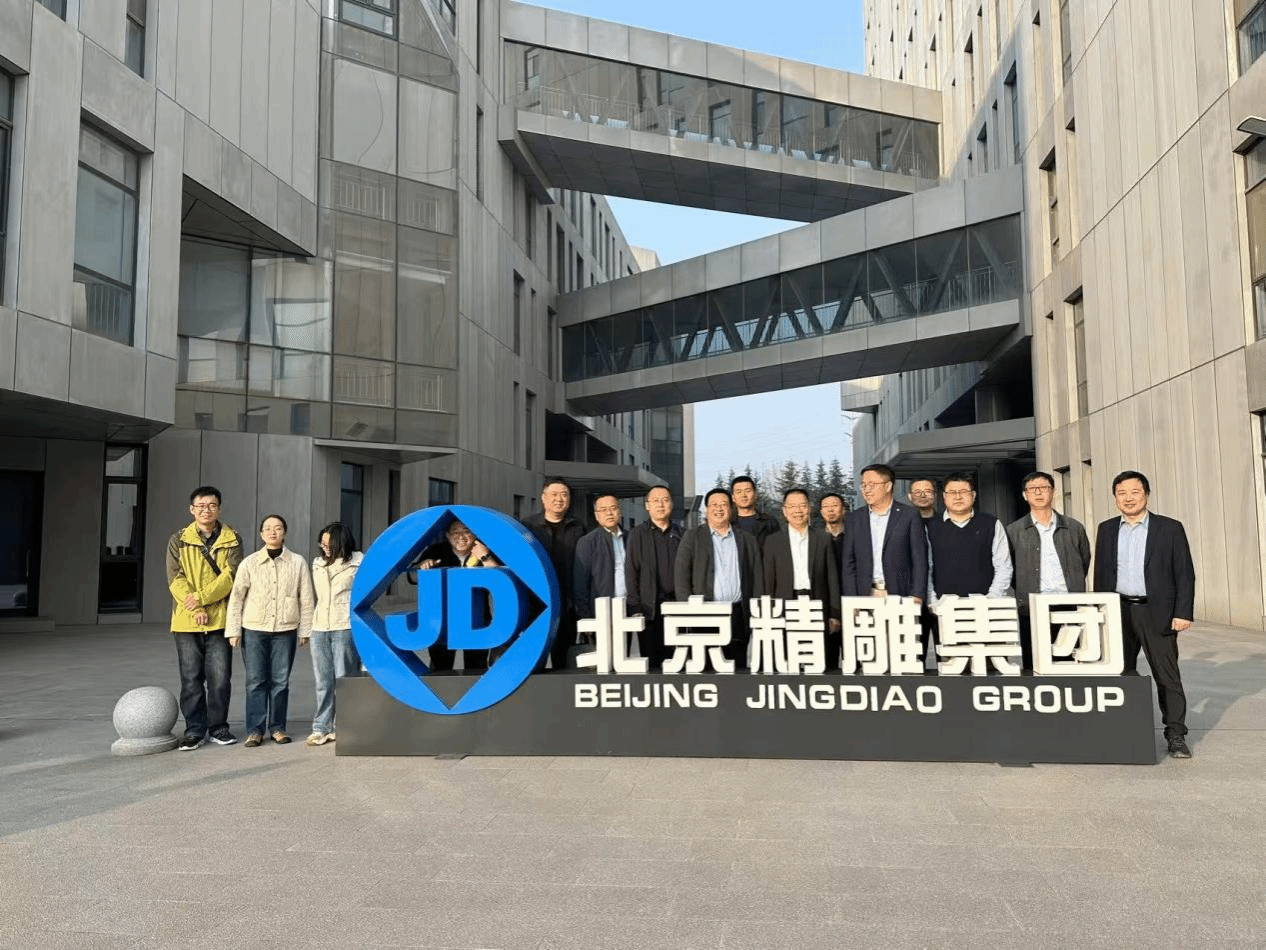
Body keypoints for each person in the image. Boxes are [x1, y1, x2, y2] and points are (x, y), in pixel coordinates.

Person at [1092, 471, 1196, 758]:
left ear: (1146, 494)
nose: (1128, 498)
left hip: (1156, 611)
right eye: (1122, 493)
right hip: (1119, 610)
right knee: (1120, 671)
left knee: (1167, 676)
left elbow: (1184, 573)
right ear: (1115, 498)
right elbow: (1101, 573)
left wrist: (1183, 612)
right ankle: (1124, 730)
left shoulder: (1169, 528)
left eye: (1134, 492)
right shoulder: (1107, 529)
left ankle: (1175, 735)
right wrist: (1099, 611)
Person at [166, 486, 243, 750]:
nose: (206, 510)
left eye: (211, 505)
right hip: (186, 621)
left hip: (220, 619)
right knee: (191, 679)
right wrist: (195, 608)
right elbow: (175, 580)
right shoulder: (178, 540)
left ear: (219, 509)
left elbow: (230, 577)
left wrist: (200, 599)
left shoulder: (233, 539)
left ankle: (219, 727)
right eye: (200, 506)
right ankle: (194, 730)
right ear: (192, 509)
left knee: (220, 679)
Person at [226, 515, 314, 747]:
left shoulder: (297, 562)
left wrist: (305, 630)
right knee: (255, 681)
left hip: (286, 630)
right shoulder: (249, 563)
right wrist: (234, 630)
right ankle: (255, 730)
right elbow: (236, 598)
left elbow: (306, 598)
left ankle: (277, 728)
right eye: (267, 528)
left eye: (278, 528)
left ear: (285, 532)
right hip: (254, 630)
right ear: (261, 534)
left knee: (280, 681)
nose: (273, 532)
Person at [1005, 472, 1092, 671]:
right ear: (1025, 495)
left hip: (1069, 605)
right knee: (1034, 663)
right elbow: (1010, 570)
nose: (1038, 493)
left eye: (1043, 488)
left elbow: (1083, 561)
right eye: (1032, 489)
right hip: (1033, 607)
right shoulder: (1013, 531)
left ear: (1053, 492)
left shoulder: (1073, 527)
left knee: (1069, 663)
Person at [674, 488, 764, 670]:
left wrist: (756, 610)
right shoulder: (693, 537)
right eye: (714, 505)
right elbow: (681, 576)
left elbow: (756, 576)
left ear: (731, 509)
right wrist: (688, 613)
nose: (719, 509)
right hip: (704, 614)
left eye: (724, 504)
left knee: (737, 669)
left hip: (737, 614)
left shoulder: (747, 539)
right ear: (706, 510)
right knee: (706, 668)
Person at [763, 488, 842, 669]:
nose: (798, 511)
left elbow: (832, 578)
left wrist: (834, 614)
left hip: (816, 604)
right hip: (786, 605)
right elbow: (768, 581)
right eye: (792, 506)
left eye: (802, 506)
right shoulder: (772, 541)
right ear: (784, 511)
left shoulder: (823, 538)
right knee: (788, 659)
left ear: (809, 509)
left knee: (817, 659)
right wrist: (769, 613)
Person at [413, 519, 500, 671]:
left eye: (466, 531)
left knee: (476, 668)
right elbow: (412, 577)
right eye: (455, 532)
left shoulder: (484, 549)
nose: (461, 537)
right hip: (441, 620)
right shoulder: (436, 550)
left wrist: (485, 557)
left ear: (475, 534)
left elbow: (500, 580)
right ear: (447, 535)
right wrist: (422, 565)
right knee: (440, 668)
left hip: (477, 620)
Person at [306, 522, 362, 747]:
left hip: (344, 625)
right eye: (322, 544)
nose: (325, 548)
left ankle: (344, 726)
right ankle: (321, 727)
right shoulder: (317, 563)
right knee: (323, 682)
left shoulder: (358, 562)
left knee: (344, 678)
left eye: (329, 544)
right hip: (320, 627)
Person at [839, 464, 928, 602]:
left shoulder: (909, 515)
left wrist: (917, 594)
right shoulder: (854, 519)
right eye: (863, 485)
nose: (866, 490)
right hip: (866, 594)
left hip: (901, 594)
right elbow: (848, 564)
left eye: (872, 485)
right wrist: (852, 599)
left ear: (888, 486)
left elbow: (919, 559)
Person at [522, 478, 584, 671]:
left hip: (567, 604)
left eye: (564, 495)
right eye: (554, 494)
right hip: (536, 604)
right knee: (533, 661)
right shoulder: (528, 526)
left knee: (563, 661)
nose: (559, 499)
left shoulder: (578, 527)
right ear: (543, 498)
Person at [926, 472, 1014, 603]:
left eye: (963, 492)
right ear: (944, 496)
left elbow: (1003, 566)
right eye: (952, 492)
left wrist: (991, 599)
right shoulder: (930, 526)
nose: (958, 497)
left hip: (984, 604)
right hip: (942, 605)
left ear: (973, 495)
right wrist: (933, 601)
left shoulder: (991, 524)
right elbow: (926, 567)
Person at [625, 485, 683, 671]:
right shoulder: (637, 534)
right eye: (655, 501)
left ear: (671, 504)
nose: (660, 505)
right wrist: (635, 606)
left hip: (676, 606)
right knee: (651, 664)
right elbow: (631, 570)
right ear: (647, 506)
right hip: (649, 607)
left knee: (677, 662)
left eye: (665, 500)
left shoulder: (682, 534)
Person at [573, 495, 627, 620]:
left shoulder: (630, 538)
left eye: (613, 508)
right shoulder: (587, 541)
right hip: (601, 610)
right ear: (596, 515)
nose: (609, 513)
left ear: (619, 512)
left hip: (627, 607)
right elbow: (580, 582)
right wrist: (585, 615)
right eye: (603, 510)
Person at [730, 475, 779, 545]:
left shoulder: (770, 522)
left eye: (747, 491)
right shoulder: (728, 524)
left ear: (755, 495)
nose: (743, 495)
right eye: (739, 492)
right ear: (733, 497)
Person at [818, 492, 848, 572]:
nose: (830, 510)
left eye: (835, 505)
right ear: (821, 512)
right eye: (826, 506)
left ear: (843, 510)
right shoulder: (815, 537)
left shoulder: (854, 535)